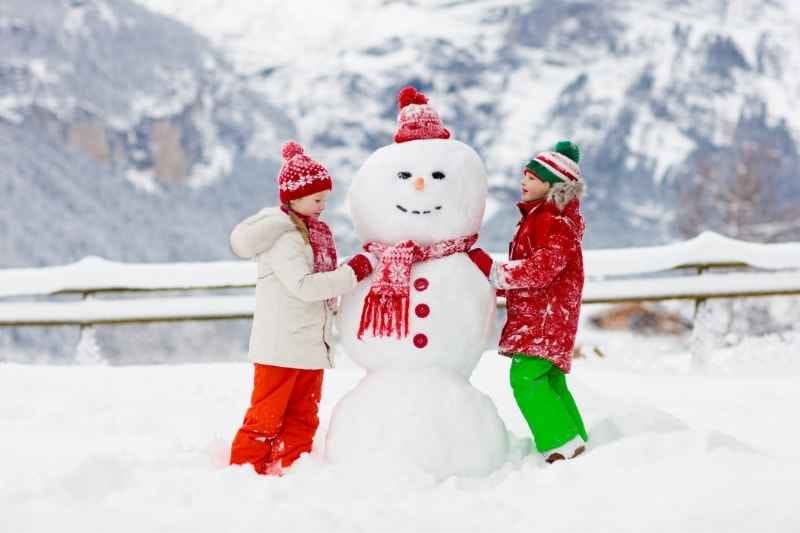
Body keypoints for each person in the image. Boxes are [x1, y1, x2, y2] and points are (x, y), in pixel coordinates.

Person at [228, 141, 375, 475]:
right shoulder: (284, 238)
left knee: (304, 415)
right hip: (281, 344)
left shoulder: (311, 233)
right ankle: (243, 473)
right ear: (293, 198)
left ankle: (294, 469)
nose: (324, 205)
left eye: (325, 197)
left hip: (308, 342)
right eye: (317, 198)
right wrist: (352, 273)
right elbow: (304, 286)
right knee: (265, 416)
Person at [468, 141, 589, 463]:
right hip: (543, 314)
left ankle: (561, 444)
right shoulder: (542, 217)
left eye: (533, 177)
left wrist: (494, 271)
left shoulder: (553, 221)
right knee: (550, 379)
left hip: (546, 316)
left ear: (553, 185)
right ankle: (577, 441)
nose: (524, 181)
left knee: (525, 378)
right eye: (525, 174)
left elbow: (541, 269)